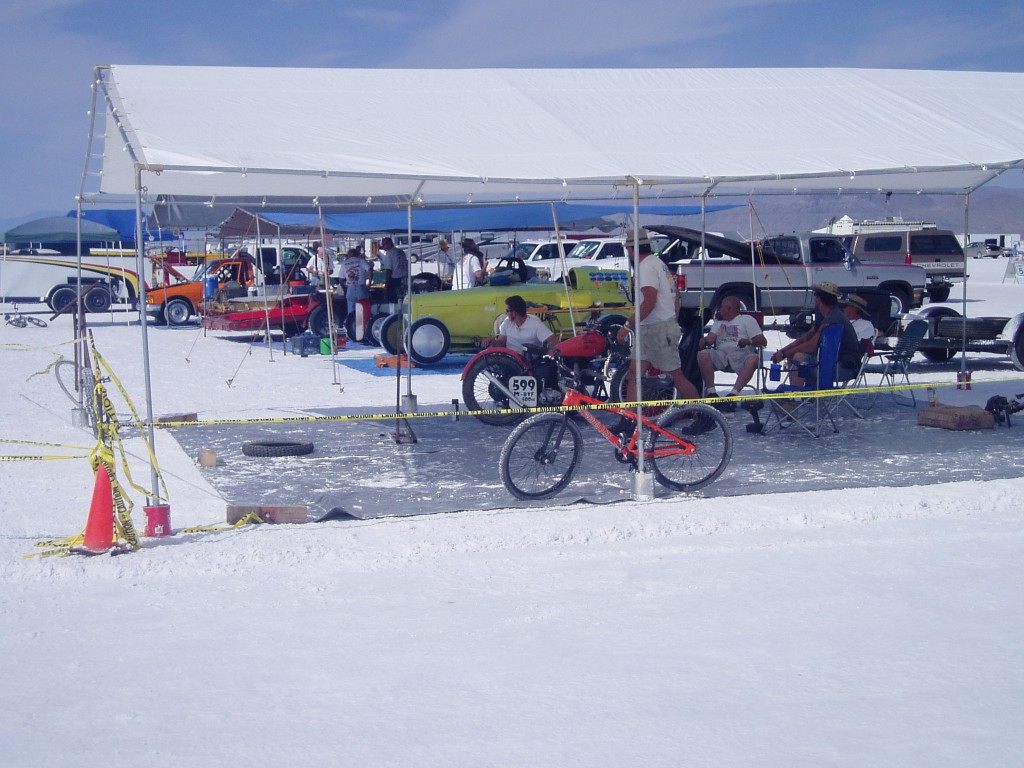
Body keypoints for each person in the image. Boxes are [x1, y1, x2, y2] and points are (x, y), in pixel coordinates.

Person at [613, 228, 700, 429]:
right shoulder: (659, 263)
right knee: (634, 374)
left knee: (676, 376)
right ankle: (629, 420)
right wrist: (671, 319)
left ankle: (703, 416)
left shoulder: (646, 268)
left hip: (656, 329)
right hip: (655, 327)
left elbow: (649, 302)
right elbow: (676, 298)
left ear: (632, 249)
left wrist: (627, 326)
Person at [771, 281, 861, 386]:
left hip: (844, 367)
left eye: (815, 295)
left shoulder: (833, 318)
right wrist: (783, 352)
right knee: (792, 355)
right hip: (833, 362)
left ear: (819, 299)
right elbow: (804, 339)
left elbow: (811, 346)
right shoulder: (827, 316)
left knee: (799, 357)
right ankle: (798, 391)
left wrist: (783, 354)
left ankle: (796, 394)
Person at [697, 295, 768, 409]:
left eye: (723, 307)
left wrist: (749, 341)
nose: (720, 310)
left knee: (753, 359)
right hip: (722, 355)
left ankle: (733, 394)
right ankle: (711, 393)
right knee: (703, 354)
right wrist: (705, 340)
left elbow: (763, 341)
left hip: (741, 354)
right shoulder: (719, 322)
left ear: (731, 309)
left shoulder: (746, 320)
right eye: (721, 307)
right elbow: (711, 338)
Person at [486, 294, 558, 353]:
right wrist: (493, 342)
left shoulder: (535, 324)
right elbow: (501, 344)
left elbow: (555, 342)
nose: (506, 313)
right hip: (510, 361)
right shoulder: (506, 322)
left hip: (530, 363)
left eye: (507, 310)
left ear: (514, 312)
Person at [341, 246, 372, 344]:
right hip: (360, 287)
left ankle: (352, 332)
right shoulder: (361, 261)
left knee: (351, 312)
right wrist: (369, 283)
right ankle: (365, 331)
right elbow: (370, 270)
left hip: (350, 288)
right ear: (357, 254)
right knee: (364, 310)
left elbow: (341, 279)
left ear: (349, 255)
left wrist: (344, 289)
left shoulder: (344, 263)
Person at [379, 236, 408, 303]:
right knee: (403, 298)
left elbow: (388, 270)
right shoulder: (401, 251)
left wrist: (386, 284)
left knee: (394, 299)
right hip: (405, 278)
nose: (383, 247)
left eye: (384, 245)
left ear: (389, 244)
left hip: (395, 279)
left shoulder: (389, 253)